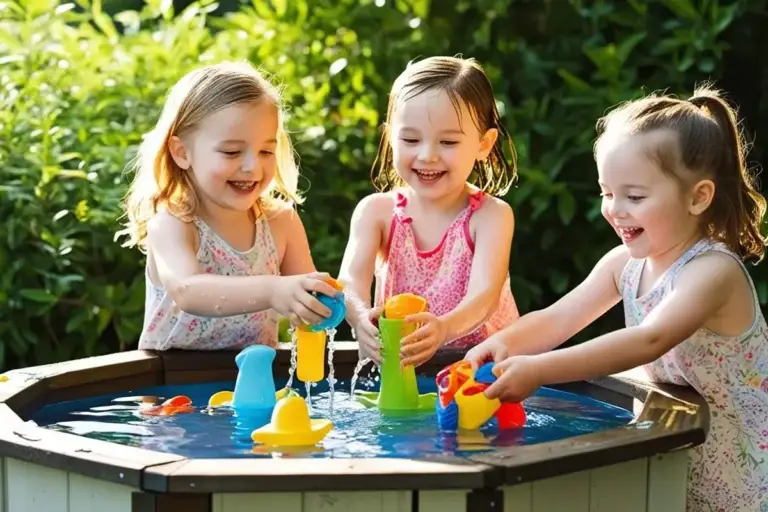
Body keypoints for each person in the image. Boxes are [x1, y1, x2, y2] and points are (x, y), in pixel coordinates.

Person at [465, 85, 768, 510]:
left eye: (635, 196)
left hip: (744, 467)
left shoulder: (712, 271)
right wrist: (500, 344)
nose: (615, 209)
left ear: (698, 197)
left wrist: (539, 370)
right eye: (607, 192)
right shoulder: (623, 263)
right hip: (681, 452)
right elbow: (557, 319)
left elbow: (649, 339)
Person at [118, 61, 338, 351]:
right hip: (175, 387)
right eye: (232, 151)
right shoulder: (173, 223)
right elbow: (188, 290)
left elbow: (309, 302)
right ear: (182, 152)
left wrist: (330, 310)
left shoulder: (280, 222)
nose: (252, 166)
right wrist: (273, 290)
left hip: (255, 387)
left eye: (266, 151)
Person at [338, 56, 520, 368]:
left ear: (484, 143)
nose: (427, 155)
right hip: (405, 367)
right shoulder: (376, 212)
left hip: (484, 370)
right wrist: (360, 319)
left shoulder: (490, 216)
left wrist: (444, 329)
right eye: (410, 139)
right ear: (390, 137)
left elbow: (484, 297)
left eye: (448, 142)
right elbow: (351, 280)